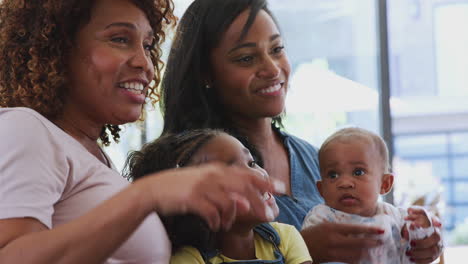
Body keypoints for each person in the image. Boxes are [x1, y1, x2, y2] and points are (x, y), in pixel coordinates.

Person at [0, 0, 285, 263]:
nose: (145, 64)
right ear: (56, 48)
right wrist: (148, 194)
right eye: (120, 39)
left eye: (148, 46)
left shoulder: (94, 157)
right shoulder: (27, 128)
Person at [159, 0, 443, 262]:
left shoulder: (315, 158)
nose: (272, 69)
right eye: (246, 58)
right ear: (205, 73)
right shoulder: (189, 173)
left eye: (277, 49)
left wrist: (410, 244)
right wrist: (298, 250)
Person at [125, 129, 313, 264]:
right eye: (233, 174)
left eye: (251, 162)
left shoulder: (285, 237)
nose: (259, 175)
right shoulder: (189, 259)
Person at [301, 127, 442, 264]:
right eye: (333, 175)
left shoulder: (397, 216)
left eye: (358, 172)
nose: (344, 183)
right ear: (321, 189)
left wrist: (422, 228)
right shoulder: (320, 219)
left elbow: (418, 248)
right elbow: (300, 256)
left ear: (384, 183)